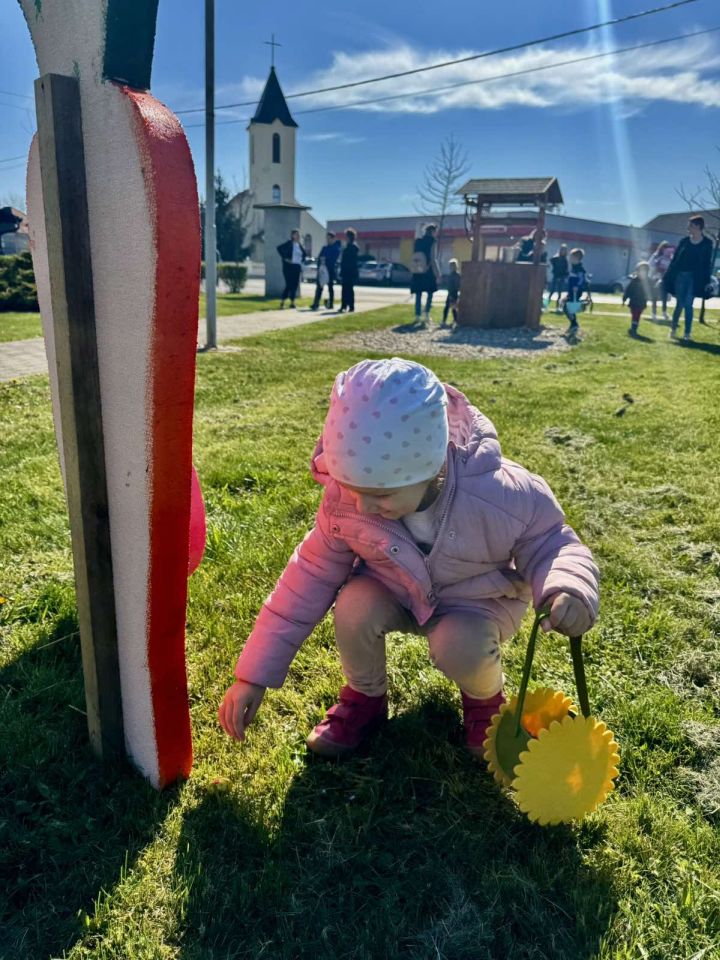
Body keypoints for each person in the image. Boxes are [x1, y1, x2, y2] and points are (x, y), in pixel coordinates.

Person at [219, 358, 599, 760]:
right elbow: (306, 577)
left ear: (432, 466)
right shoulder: (346, 504)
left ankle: (485, 703)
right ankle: (365, 697)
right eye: (351, 487)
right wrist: (254, 675)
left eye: (380, 494)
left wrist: (567, 587)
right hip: (395, 591)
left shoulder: (500, 492)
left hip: (475, 606)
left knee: (460, 644)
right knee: (354, 604)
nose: (363, 505)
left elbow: (552, 541)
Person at [664, 216, 714, 341]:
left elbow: (707, 264)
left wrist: (707, 281)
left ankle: (687, 333)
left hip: (694, 278)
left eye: (690, 225)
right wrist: (667, 276)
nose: (688, 228)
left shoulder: (707, 244)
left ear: (698, 227)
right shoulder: (684, 242)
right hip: (680, 276)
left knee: (688, 304)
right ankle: (673, 329)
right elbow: (675, 260)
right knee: (679, 304)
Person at [410, 223, 439, 323]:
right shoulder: (432, 241)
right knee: (430, 292)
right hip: (428, 270)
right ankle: (426, 314)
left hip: (418, 270)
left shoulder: (418, 241)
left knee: (418, 293)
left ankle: (417, 315)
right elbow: (432, 257)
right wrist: (437, 272)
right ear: (433, 231)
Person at [311, 231, 342, 311]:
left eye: (329, 238)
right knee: (319, 287)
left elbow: (333, 260)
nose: (328, 240)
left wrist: (326, 262)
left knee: (330, 288)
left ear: (333, 239)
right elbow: (319, 257)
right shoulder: (324, 248)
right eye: (327, 238)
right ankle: (316, 303)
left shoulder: (336, 249)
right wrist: (319, 267)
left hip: (330, 271)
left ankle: (331, 303)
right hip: (322, 270)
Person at [276, 229, 305, 309]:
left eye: (298, 234)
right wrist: (285, 258)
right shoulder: (289, 243)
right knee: (289, 284)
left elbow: (304, 254)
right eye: (296, 234)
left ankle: (292, 302)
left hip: (297, 267)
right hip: (289, 267)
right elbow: (279, 248)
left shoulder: (299, 245)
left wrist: (301, 261)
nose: (298, 236)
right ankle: (282, 302)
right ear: (292, 236)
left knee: (295, 285)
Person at [622, 261, 651, 336]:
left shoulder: (647, 282)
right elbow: (629, 290)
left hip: (641, 302)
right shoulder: (634, 281)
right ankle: (634, 327)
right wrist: (624, 298)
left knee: (637, 314)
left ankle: (634, 328)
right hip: (634, 301)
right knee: (634, 314)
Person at [647, 240, 674, 321]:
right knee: (654, 297)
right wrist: (657, 268)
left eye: (667, 248)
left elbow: (671, 266)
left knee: (664, 297)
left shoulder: (669, 257)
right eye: (664, 247)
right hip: (655, 278)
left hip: (664, 279)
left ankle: (664, 312)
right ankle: (653, 313)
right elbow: (650, 264)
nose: (665, 249)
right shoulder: (656, 255)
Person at [563, 248, 587, 335]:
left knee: (569, 307)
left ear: (577, 258)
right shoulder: (573, 268)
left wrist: (577, 286)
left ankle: (574, 324)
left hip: (576, 291)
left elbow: (582, 279)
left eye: (571, 257)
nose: (570, 259)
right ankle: (573, 324)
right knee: (567, 307)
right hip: (571, 291)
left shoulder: (579, 269)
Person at [339, 228, 359, 313]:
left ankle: (351, 306)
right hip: (345, 271)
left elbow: (352, 261)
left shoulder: (353, 247)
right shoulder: (346, 247)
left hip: (350, 271)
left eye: (346, 236)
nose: (345, 238)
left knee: (349, 289)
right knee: (344, 289)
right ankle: (344, 305)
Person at [548, 244, 569, 312]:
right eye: (562, 250)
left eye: (564, 250)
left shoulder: (565, 260)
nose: (563, 251)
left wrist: (565, 276)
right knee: (551, 291)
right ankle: (546, 305)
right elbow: (551, 261)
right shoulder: (556, 258)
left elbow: (565, 269)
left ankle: (557, 307)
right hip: (555, 276)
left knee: (559, 293)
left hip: (561, 277)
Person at [441, 258, 461, 326]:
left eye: (453, 266)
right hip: (451, 293)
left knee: (452, 308)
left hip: (453, 293)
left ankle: (455, 321)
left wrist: (452, 293)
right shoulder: (452, 275)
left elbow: (455, 285)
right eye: (451, 266)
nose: (452, 268)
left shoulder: (455, 276)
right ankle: (448, 320)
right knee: (449, 307)